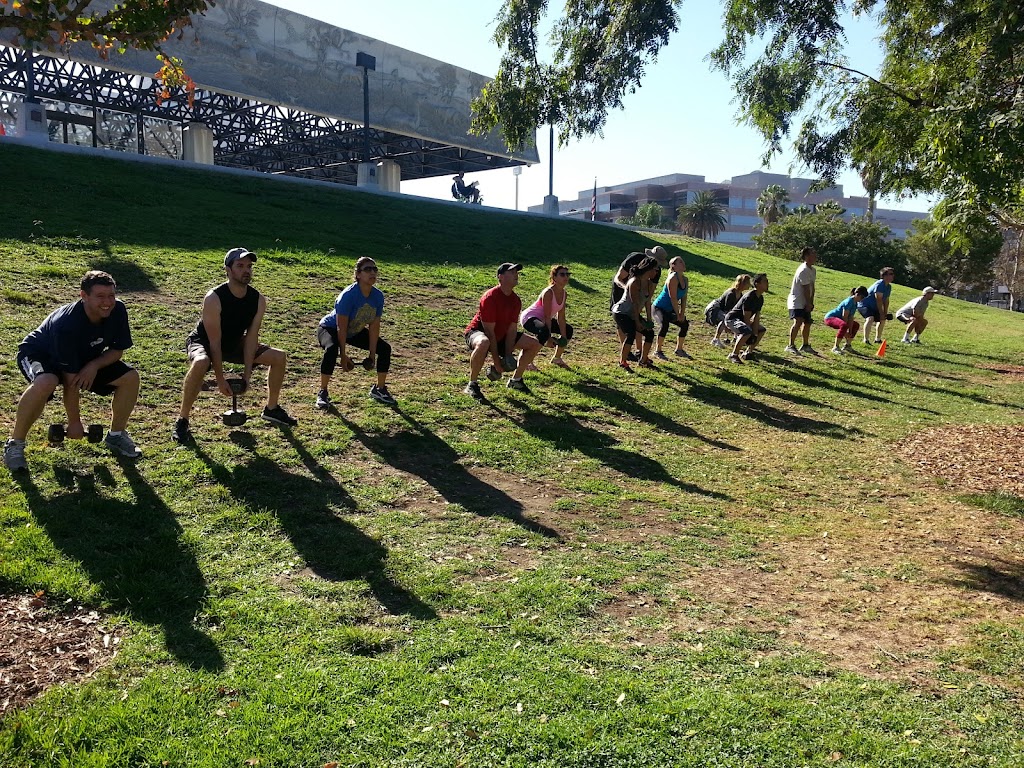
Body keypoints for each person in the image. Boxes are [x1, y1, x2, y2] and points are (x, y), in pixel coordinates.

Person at [4, 271, 142, 472]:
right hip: (40, 354)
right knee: (46, 382)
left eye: (111, 295)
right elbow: (71, 382)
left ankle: (116, 436)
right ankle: (15, 444)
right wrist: (74, 422)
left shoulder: (118, 309)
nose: (107, 302)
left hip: (83, 358)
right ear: (83, 296)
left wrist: (93, 366)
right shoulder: (66, 324)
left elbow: (116, 350)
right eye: (100, 296)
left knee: (130, 378)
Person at [173, 248, 297, 443]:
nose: (246, 270)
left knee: (278, 357)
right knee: (201, 362)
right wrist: (220, 379)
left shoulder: (258, 300)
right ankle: (182, 420)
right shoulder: (214, 298)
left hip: (234, 342)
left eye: (249, 266)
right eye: (240, 266)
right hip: (205, 341)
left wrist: (247, 376)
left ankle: (271, 409)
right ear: (228, 270)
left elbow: (251, 338)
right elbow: (215, 342)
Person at [316, 256, 397, 408]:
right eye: (367, 269)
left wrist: (372, 354)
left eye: (374, 269)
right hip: (330, 328)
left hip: (354, 330)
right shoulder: (348, 296)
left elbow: (374, 326)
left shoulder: (378, 296)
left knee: (384, 349)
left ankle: (379, 389)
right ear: (358, 274)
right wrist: (343, 356)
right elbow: (341, 328)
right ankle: (323, 392)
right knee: (332, 349)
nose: (372, 272)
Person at [463, 263, 542, 401]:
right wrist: (497, 362)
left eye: (516, 272)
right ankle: (472, 384)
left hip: (501, 334)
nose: (516, 275)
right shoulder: (490, 297)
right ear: (501, 277)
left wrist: (507, 356)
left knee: (534, 344)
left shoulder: (515, 300)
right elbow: (489, 332)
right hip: (479, 332)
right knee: (484, 342)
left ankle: (516, 381)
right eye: (512, 272)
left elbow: (512, 330)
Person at [611, 246, 667, 356]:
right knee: (624, 322)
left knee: (636, 318)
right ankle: (627, 353)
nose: (656, 268)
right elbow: (618, 278)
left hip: (639, 294)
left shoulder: (656, 271)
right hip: (621, 289)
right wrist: (628, 290)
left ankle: (639, 352)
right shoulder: (635, 258)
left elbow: (648, 295)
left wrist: (648, 319)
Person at [520, 264, 574, 369]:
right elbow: (547, 316)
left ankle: (557, 359)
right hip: (529, 318)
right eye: (562, 274)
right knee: (544, 333)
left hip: (543, 319)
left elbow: (561, 317)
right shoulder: (548, 292)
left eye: (567, 274)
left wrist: (563, 336)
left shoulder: (564, 294)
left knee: (568, 330)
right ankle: (527, 363)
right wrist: (548, 338)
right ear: (554, 277)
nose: (566, 277)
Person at [611, 256, 659, 370]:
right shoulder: (634, 282)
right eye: (655, 269)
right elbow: (635, 304)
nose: (657, 272)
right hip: (621, 312)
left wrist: (649, 320)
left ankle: (643, 360)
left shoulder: (649, 283)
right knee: (631, 334)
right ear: (648, 269)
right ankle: (622, 362)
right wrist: (637, 322)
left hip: (633, 313)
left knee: (650, 333)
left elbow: (648, 302)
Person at [724, 273, 769, 363]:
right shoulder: (750, 296)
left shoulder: (760, 298)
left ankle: (748, 353)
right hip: (732, 319)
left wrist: (755, 334)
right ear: (757, 284)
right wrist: (751, 333)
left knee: (761, 330)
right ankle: (733, 355)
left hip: (742, 320)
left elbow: (756, 317)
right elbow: (746, 316)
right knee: (746, 331)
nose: (767, 283)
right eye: (765, 281)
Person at [652, 256, 690, 359]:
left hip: (670, 309)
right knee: (664, 325)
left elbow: (684, 299)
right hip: (659, 308)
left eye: (683, 261)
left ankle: (679, 350)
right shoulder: (672, 278)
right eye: (680, 262)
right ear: (674, 266)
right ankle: (657, 351)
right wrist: (677, 314)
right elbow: (673, 298)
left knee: (684, 324)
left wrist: (682, 314)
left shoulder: (685, 280)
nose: (683, 263)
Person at [785, 247, 818, 355]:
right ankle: (790, 345)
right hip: (797, 301)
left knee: (807, 322)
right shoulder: (803, 270)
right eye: (813, 254)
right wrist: (808, 303)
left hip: (806, 301)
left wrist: (811, 302)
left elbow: (812, 287)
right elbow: (805, 288)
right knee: (798, 321)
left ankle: (805, 345)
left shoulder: (812, 270)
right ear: (807, 256)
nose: (815, 256)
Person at [705, 274, 752, 348]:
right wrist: (728, 325)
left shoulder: (740, 294)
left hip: (723, 310)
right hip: (714, 308)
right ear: (743, 284)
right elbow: (727, 311)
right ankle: (715, 339)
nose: (750, 285)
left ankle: (736, 338)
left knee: (734, 318)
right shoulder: (731, 294)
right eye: (748, 283)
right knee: (725, 319)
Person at [824, 286, 869, 354]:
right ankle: (835, 347)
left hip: (841, 319)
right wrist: (846, 331)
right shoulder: (849, 301)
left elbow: (850, 318)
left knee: (856, 325)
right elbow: (844, 316)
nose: (862, 300)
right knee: (844, 325)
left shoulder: (855, 303)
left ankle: (847, 345)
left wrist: (850, 331)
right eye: (862, 297)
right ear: (857, 294)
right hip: (830, 318)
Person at [858, 266, 896, 344]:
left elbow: (886, 300)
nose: (892, 276)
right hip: (864, 305)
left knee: (882, 319)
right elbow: (878, 299)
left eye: (892, 274)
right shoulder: (880, 284)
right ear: (884, 275)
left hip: (874, 307)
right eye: (890, 274)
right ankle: (866, 340)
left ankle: (877, 339)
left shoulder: (888, 286)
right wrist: (881, 313)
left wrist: (885, 313)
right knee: (870, 318)